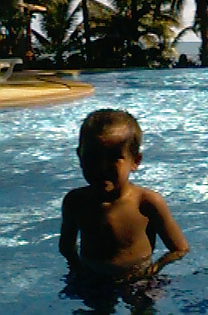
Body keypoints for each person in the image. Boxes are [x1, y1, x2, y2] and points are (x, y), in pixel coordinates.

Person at [59, 109, 189, 282]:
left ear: (135, 161)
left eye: (113, 157)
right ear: (79, 156)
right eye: (92, 156)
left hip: (139, 280)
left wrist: (154, 270)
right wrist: (78, 270)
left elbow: (179, 249)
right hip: (92, 279)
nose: (101, 166)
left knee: (144, 307)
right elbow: (66, 247)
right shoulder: (75, 202)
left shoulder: (146, 202)